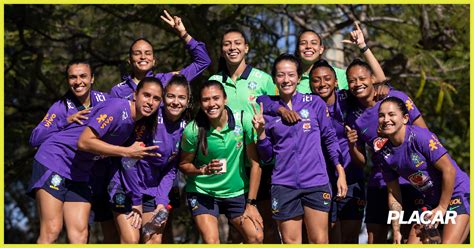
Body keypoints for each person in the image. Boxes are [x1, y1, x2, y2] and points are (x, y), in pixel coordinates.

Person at [27, 75, 161, 243]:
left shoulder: (133, 126)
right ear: (135, 95)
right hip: (54, 160)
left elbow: (125, 164)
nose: (150, 102)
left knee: (80, 236)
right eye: (146, 95)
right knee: (52, 230)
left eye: (156, 98)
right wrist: (126, 152)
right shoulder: (118, 108)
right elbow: (84, 142)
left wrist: (136, 201)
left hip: (80, 173)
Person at [254, 53, 347, 244]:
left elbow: (329, 139)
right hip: (283, 184)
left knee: (319, 241)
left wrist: (340, 172)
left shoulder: (314, 103)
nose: (286, 80)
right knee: (290, 243)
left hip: (316, 181)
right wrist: (261, 133)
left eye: (290, 75)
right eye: (280, 75)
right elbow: (266, 157)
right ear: (274, 79)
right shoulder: (266, 110)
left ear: (298, 78)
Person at [344, 59, 428, 243]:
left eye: (362, 78)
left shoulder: (395, 97)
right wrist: (352, 145)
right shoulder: (353, 116)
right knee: (375, 240)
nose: (357, 84)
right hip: (379, 183)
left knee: (408, 238)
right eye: (352, 80)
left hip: (409, 181)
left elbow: (426, 135)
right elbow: (362, 161)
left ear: (372, 78)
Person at [208, 28, 279, 244]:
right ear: (221, 50)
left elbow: (277, 114)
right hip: (230, 163)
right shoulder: (214, 80)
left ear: (246, 48)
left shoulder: (264, 79)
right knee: (237, 225)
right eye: (227, 44)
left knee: (264, 222)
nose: (232, 48)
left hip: (261, 160)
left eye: (237, 43)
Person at [375, 96, 470, 244]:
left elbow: (449, 170)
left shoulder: (420, 137)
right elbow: (394, 195)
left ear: (405, 118)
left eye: (391, 114)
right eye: (381, 115)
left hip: (457, 193)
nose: (386, 119)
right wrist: (396, 230)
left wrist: (442, 208)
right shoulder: (384, 154)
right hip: (431, 201)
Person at [107, 75, 190, 244]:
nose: (175, 102)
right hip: (124, 186)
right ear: (163, 98)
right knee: (131, 240)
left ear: (188, 101)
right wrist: (136, 201)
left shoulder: (187, 128)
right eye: (171, 96)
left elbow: (171, 169)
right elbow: (127, 162)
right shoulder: (148, 118)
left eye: (181, 97)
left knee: (153, 239)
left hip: (153, 191)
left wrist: (161, 202)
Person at [179, 80, 264, 244]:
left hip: (237, 193)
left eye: (216, 98)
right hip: (203, 193)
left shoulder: (243, 120)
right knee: (212, 242)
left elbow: (255, 164)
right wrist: (202, 170)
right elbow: (184, 165)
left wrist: (251, 204)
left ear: (225, 99)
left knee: (256, 237)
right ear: (200, 103)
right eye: (205, 100)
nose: (211, 104)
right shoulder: (193, 130)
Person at [308, 59, 366, 243]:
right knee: (330, 237)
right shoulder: (305, 105)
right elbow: (269, 102)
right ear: (310, 84)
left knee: (350, 238)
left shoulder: (347, 98)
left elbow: (378, 83)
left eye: (327, 79)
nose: (322, 84)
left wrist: (364, 47)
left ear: (335, 81)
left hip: (352, 177)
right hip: (321, 181)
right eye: (316, 80)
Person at [109, 10, 211, 100]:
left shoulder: (167, 80)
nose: (143, 57)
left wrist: (183, 34)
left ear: (154, 61)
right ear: (129, 60)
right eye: (137, 53)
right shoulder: (117, 91)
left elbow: (203, 61)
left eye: (148, 53)